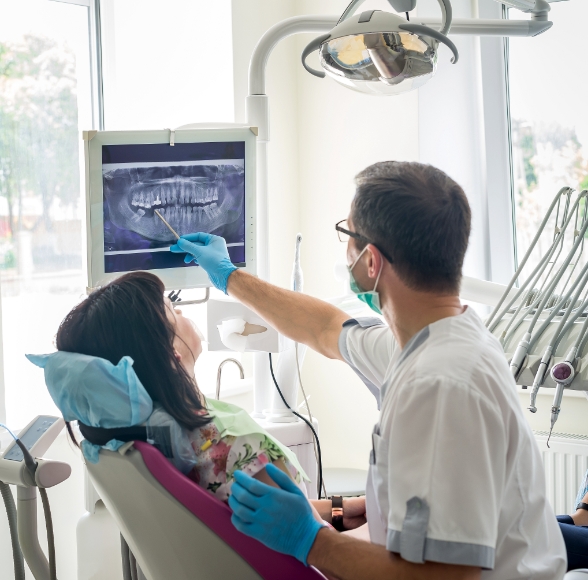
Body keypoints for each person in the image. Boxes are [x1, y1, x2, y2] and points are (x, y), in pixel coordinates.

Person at [170, 161, 568, 580]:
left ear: (371, 261)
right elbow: (323, 328)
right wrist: (230, 277)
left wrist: (311, 540)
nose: (346, 251)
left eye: (348, 235)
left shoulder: (440, 384)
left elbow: (447, 576)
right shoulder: (431, 339)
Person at [29, 271, 367, 531]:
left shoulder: (147, 443)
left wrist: (340, 508)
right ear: (172, 355)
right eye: (173, 311)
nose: (182, 312)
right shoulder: (234, 448)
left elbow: (271, 513)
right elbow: (309, 543)